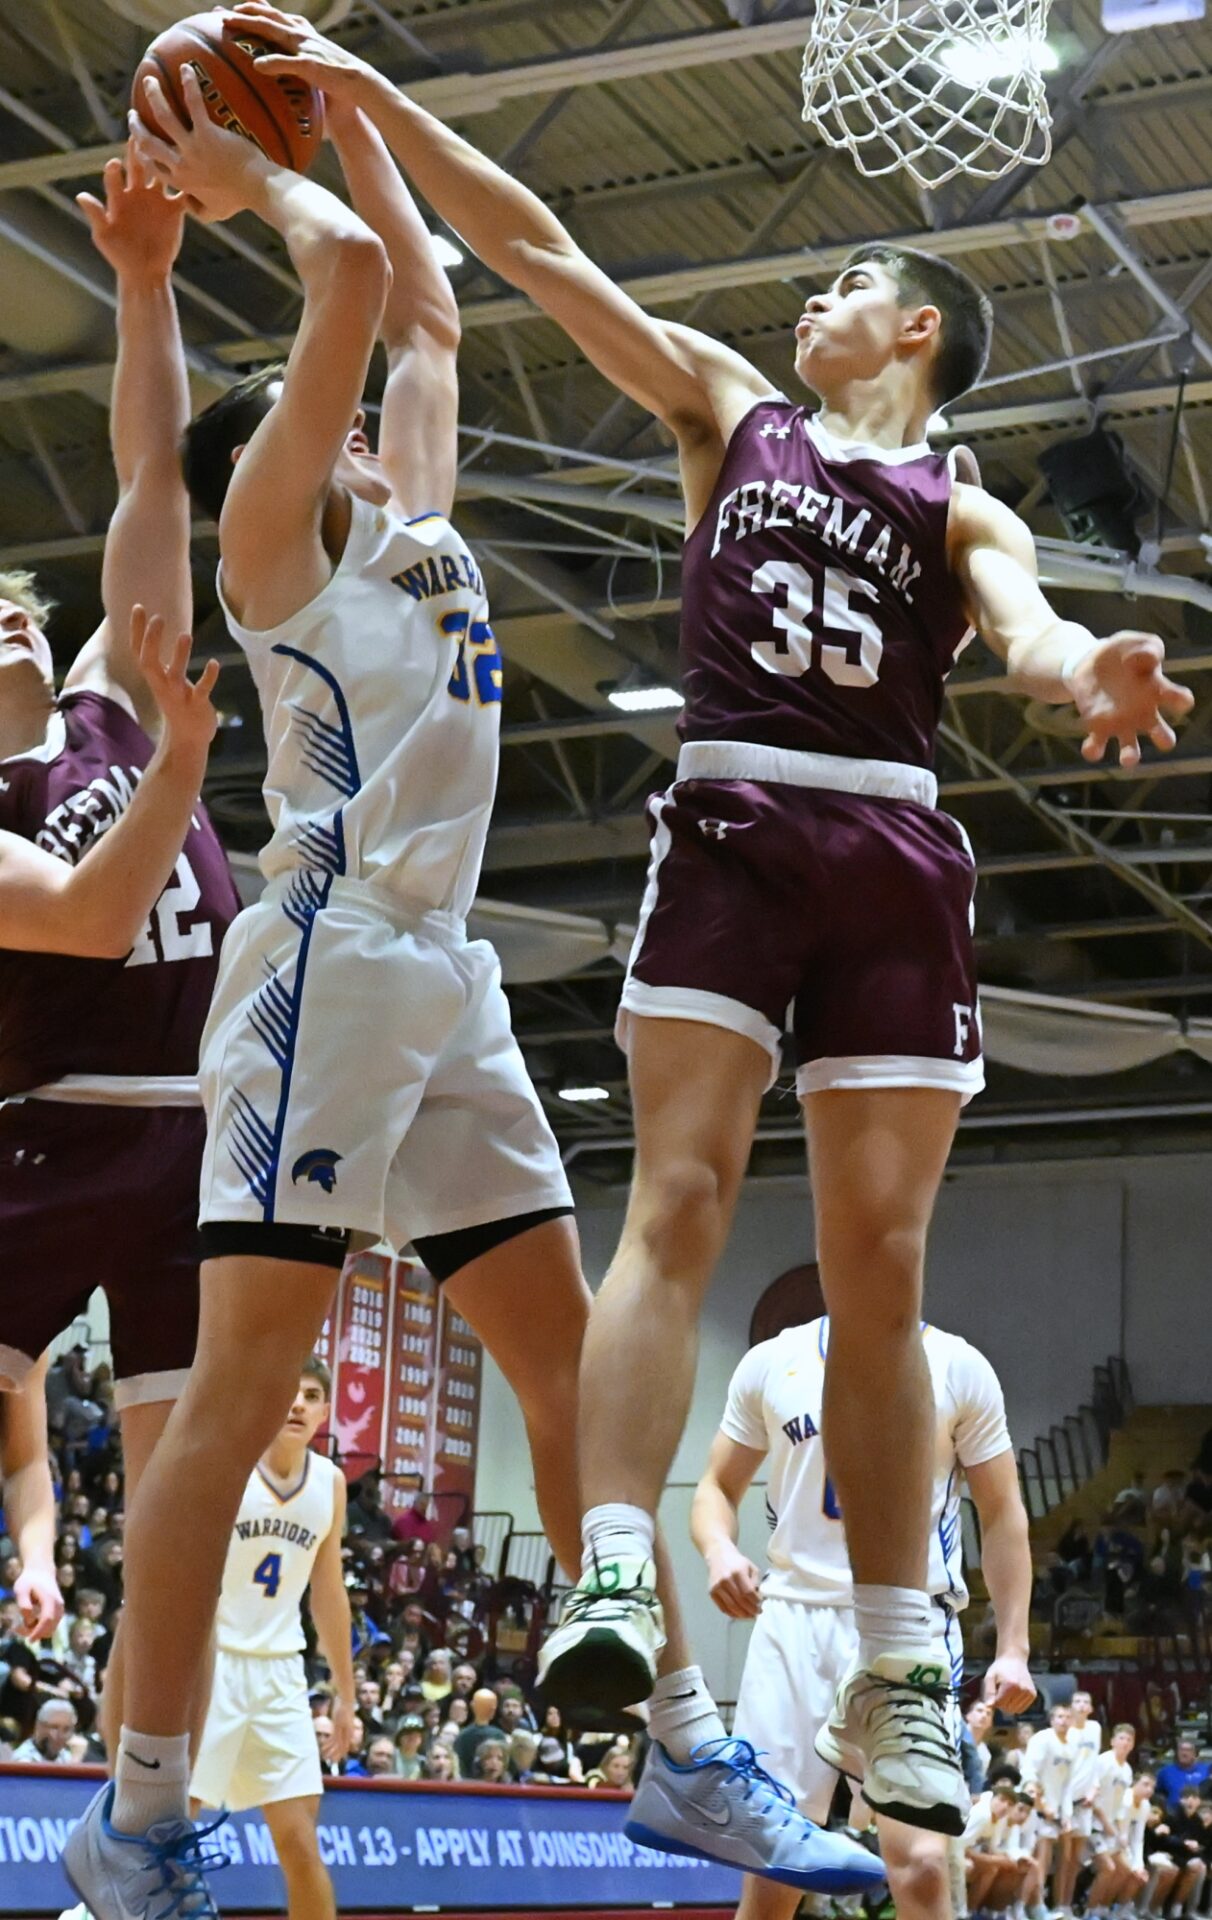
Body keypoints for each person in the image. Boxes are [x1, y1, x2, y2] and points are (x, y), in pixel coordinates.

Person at [244, 0, 1193, 1843]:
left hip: (894, 852)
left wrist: (1091, 659)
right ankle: (610, 1560)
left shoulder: (952, 493)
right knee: (668, 1204)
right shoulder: (724, 409)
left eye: (844, 281)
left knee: (881, 1282)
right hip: (737, 816)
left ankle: (903, 1670)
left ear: (915, 328)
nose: (807, 304)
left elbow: (1020, 630)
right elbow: (537, 248)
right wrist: (374, 105)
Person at [73, 29, 875, 1908]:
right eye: (320, 407)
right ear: (281, 440)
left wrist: (347, 107)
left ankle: (681, 1749)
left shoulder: (415, 522)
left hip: (445, 979)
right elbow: (350, 278)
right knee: (229, 1393)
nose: (356, 408)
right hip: (319, 973)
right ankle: (134, 1815)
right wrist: (235, 179)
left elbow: (418, 296)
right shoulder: (276, 540)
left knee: (567, 1352)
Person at [0, 143, 237, 1772]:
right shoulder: (85, 775)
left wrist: (147, 287)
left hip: (199, 1133)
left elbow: (149, 479)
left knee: (184, 1504)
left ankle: (149, 1810)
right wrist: (181, 769)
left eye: (15, 601)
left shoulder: (113, 690)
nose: (7, 616)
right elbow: (89, 915)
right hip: (52, 1130)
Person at [691, 1315, 1035, 1919]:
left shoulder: (959, 1365)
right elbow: (715, 1486)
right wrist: (720, 1550)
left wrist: (1014, 1647)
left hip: (908, 1621)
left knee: (922, 1862)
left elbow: (1003, 1512)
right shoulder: (775, 1360)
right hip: (793, 1620)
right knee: (773, 1871)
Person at [186, 1359, 354, 1920]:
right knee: (164, 1830)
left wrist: (346, 1695)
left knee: (300, 1841)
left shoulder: (330, 1482)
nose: (298, 1404)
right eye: (288, 1391)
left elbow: (328, 1590)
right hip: (214, 1666)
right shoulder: (230, 1464)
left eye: (311, 1395)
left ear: (325, 1411)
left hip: (282, 1673)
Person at [1053, 1689, 1103, 1912]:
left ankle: (1067, 1905)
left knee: (1076, 1861)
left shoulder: (1095, 1728)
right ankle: (1056, 1906)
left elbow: (1095, 1765)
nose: (1082, 1705)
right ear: (1071, 1707)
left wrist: (1094, 1789)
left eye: (1086, 1701)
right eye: (1077, 1701)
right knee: (1063, 1859)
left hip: (1086, 1802)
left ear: (1091, 1708)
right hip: (1067, 1802)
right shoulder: (1065, 1733)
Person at [1021, 1704, 1075, 1904]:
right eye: (1059, 1716)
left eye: (1068, 1717)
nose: (1064, 1720)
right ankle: (1023, 1908)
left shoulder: (1071, 1747)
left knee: (1045, 1863)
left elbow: (1067, 1785)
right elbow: (1029, 1774)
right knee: (1037, 1862)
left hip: (1054, 1814)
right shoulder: (1042, 1739)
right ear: (1052, 1720)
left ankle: (1036, 1907)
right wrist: (1040, 1804)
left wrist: (1066, 1814)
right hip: (1034, 1810)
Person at [1084, 1723, 1137, 1917]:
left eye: (1129, 1739)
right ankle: (1089, 1911)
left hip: (1110, 1828)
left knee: (1124, 1870)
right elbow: (1093, 1796)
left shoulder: (1128, 1770)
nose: (1125, 1742)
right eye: (1121, 1738)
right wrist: (1106, 1824)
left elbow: (1121, 1806)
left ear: (1132, 1745)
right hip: (1093, 1825)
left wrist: (1121, 1832)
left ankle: (1103, 1908)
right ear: (1113, 1741)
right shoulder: (1103, 1762)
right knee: (1108, 1868)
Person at [12, 1697, 77, 1765]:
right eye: (54, 1727)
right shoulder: (23, 1758)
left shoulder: (65, 1755)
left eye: (66, 1729)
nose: (60, 1735)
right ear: (39, 1726)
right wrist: (75, 1759)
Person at [1157, 1738, 1212, 1814]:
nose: (1184, 1753)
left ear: (1194, 1754)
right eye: (1181, 1750)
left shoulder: (1206, 1769)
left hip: (1201, 1814)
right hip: (1174, 1814)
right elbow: (1158, 1793)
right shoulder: (1165, 1772)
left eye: (1188, 1750)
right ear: (1177, 1752)